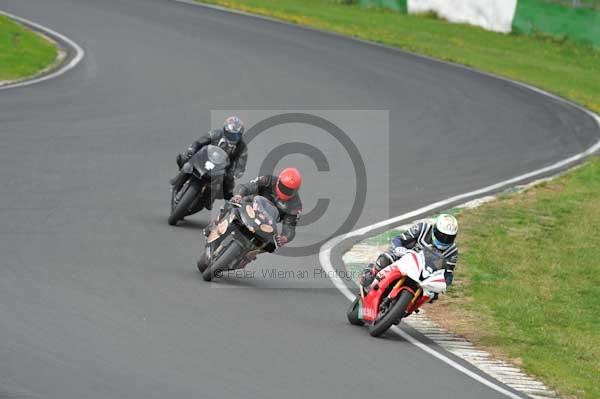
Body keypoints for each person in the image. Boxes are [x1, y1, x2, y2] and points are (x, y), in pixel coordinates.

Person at [359, 214, 459, 300]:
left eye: (449, 237)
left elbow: (448, 274)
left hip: (424, 276)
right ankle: (370, 276)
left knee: (432, 296)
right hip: (405, 258)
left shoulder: (452, 252)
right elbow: (399, 239)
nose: (444, 240)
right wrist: (399, 248)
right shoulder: (422, 228)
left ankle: (406, 307)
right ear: (435, 229)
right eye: (441, 235)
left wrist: (443, 284)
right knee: (385, 259)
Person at [175, 116, 247, 200]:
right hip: (205, 157)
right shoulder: (215, 134)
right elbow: (198, 142)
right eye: (229, 134)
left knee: (229, 184)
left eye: (235, 136)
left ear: (240, 136)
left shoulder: (241, 147)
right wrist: (191, 149)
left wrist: (238, 172)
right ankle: (176, 184)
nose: (231, 137)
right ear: (224, 131)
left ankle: (215, 198)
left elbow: (242, 162)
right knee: (185, 160)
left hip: (224, 167)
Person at [230, 168, 303, 248]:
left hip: (268, 223)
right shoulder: (267, 180)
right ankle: (221, 220)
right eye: (283, 187)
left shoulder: (295, 205)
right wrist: (239, 195)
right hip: (252, 206)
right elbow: (247, 187)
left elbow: (290, 227)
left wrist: (284, 238)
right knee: (237, 202)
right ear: (278, 181)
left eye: (289, 190)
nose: (284, 191)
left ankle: (248, 256)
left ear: (296, 191)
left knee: (271, 245)